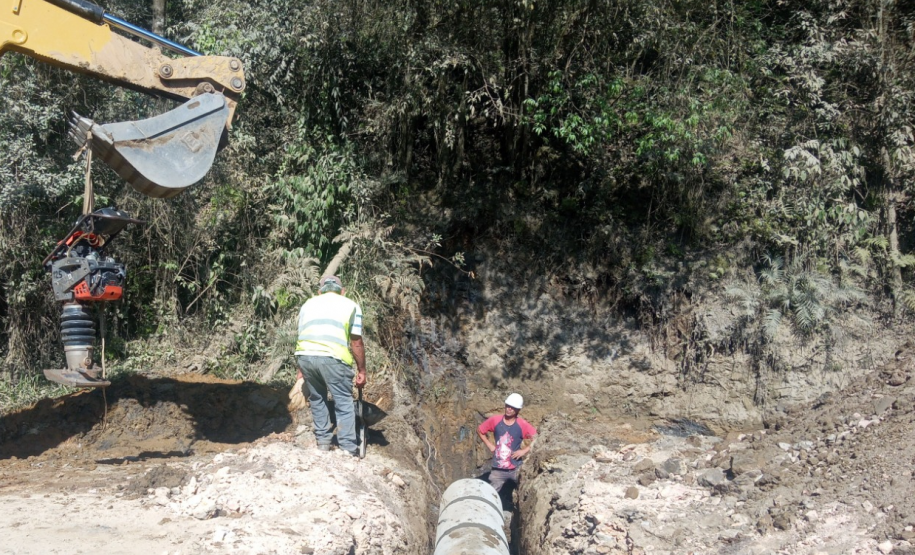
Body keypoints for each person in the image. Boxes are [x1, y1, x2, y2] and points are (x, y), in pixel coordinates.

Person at [294, 275, 367, 456]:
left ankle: (323, 444)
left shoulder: (308, 305)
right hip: (334, 359)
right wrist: (362, 370)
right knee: (343, 402)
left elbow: (303, 336)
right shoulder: (350, 305)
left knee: (317, 398)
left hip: (306, 356)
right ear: (343, 292)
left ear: (319, 292)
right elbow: (356, 342)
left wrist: (301, 369)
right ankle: (348, 449)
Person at [477, 393, 537, 495]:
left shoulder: (522, 424)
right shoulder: (495, 420)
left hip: (516, 468)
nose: (509, 409)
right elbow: (480, 430)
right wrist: (489, 445)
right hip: (498, 468)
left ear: (518, 410)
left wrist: (524, 451)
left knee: (523, 492)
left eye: (513, 408)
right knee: (490, 495)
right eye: (508, 406)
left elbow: (537, 438)